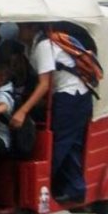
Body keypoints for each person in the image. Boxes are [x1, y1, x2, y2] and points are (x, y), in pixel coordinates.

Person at [11, 23, 93, 204]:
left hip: (71, 96)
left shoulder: (43, 46)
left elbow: (44, 84)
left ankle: (45, 187)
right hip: (77, 97)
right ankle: (76, 189)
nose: (18, 31)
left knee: (59, 144)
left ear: (32, 29)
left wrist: (23, 111)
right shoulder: (31, 47)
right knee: (71, 145)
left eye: (22, 27)